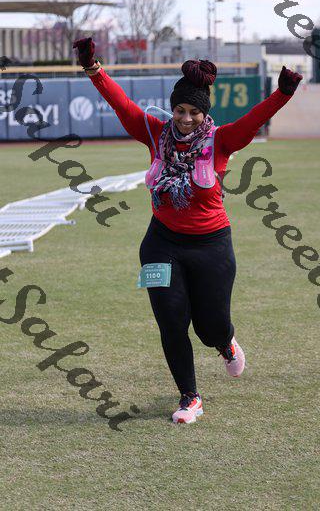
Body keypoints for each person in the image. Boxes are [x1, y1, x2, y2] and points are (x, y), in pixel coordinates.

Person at [73, 37, 303, 425]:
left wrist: (282, 93)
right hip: (161, 243)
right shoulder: (155, 133)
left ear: (203, 112)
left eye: (193, 112)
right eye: (179, 110)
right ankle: (190, 397)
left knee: (210, 328)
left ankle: (225, 343)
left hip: (212, 246)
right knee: (171, 321)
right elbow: (121, 104)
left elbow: (252, 120)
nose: (185, 118)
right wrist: (92, 67)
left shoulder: (220, 141)